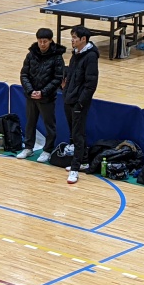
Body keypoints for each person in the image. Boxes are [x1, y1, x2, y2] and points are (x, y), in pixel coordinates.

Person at [19, 28, 65, 162]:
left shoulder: (57, 57)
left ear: (50, 41)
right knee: (30, 123)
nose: (42, 44)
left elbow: (57, 78)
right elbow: (24, 74)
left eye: (45, 41)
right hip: (31, 96)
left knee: (49, 125)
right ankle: (28, 148)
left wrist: (43, 92)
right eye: (40, 41)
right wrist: (30, 91)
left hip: (47, 98)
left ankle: (47, 150)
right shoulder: (31, 54)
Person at [63, 25, 99, 184]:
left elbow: (91, 84)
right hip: (69, 99)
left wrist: (80, 103)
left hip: (79, 103)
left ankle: (75, 169)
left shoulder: (90, 57)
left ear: (83, 39)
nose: (72, 40)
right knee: (75, 133)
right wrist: (65, 92)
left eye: (74, 37)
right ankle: (83, 161)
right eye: (72, 37)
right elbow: (70, 75)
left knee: (77, 136)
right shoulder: (75, 54)